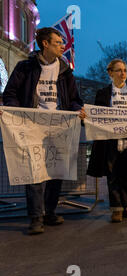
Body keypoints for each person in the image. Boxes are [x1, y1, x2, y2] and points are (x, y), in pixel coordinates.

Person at [1, 27, 85, 235]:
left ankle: (50, 212)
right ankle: (36, 217)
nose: (62, 46)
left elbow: (74, 100)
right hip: (32, 128)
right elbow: (10, 93)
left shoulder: (66, 72)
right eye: (58, 42)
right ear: (45, 44)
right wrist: (15, 112)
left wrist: (77, 110)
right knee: (34, 171)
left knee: (56, 171)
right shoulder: (25, 68)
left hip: (58, 128)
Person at [87, 59, 127, 222]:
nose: (123, 73)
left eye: (125, 70)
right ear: (110, 73)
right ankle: (116, 208)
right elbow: (97, 115)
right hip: (110, 140)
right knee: (113, 174)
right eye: (118, 70)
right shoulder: (103, 94)